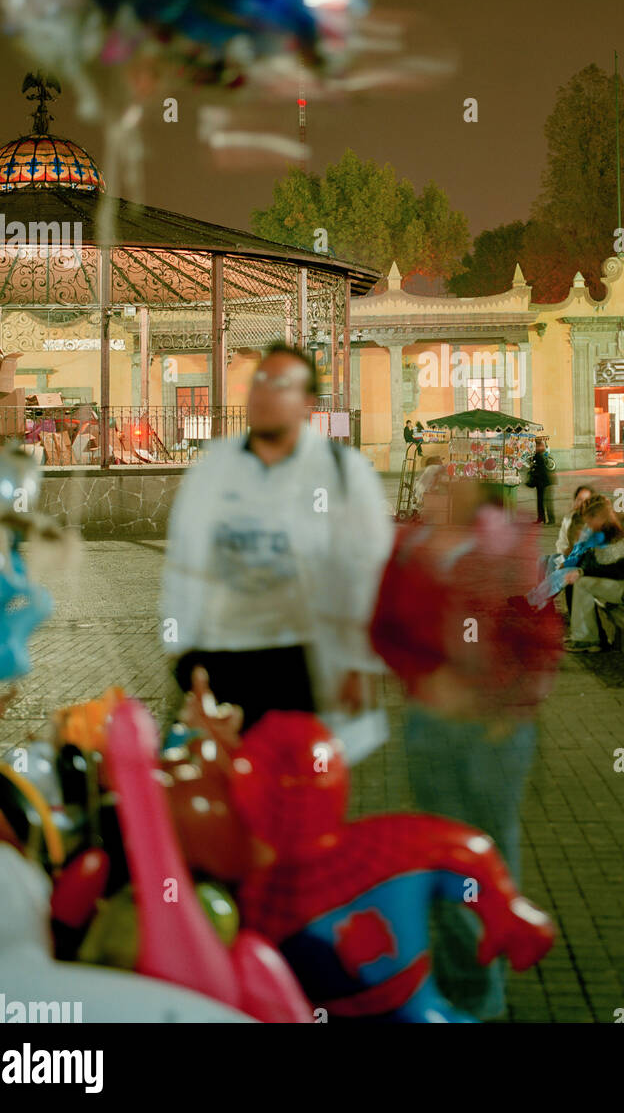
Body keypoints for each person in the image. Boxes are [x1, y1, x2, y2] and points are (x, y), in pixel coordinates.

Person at [370, 480, 564, 1019]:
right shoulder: (407, 551)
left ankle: (484, 990)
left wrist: (511, 705)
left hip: (496, 734)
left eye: (443, 490)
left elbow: (542, 630)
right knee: (445, 857)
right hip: (432, 728)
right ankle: (464, 988)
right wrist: (422, 677)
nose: (433, 496)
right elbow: (382, 630)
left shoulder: (507, 549)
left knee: (492, 859)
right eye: (431, 488)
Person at [161, 342, 394, 731]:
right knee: (225, 779)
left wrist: (360, 662)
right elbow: (185, 564)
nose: (265, 393)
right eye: (261, 381)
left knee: (302, 782)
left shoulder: (343, 473)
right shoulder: (212, 470)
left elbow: (369, 569)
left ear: (307, 402)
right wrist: (181, 651)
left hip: (306, 661)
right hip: (223, 656)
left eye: (281, 384)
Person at [564, 493, 624, 651]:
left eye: (590, 521)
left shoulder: (614, 534)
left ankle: (588, 639)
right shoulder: (605, 532)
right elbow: (596, 560)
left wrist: (582, 572)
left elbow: (608, 565)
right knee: (577, 582)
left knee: (582, 584)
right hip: (621, 585)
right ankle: (590, 636)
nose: (589, 525)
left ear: (599, 517)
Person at [526, 436, 555, 524]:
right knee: (541, 501)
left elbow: (541, 470)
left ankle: (549, 519)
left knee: (545, 502)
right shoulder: (539, 455)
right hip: (543, 482)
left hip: (544, 483)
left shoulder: (540, 456)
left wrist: (533, 472)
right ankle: (542, 518)